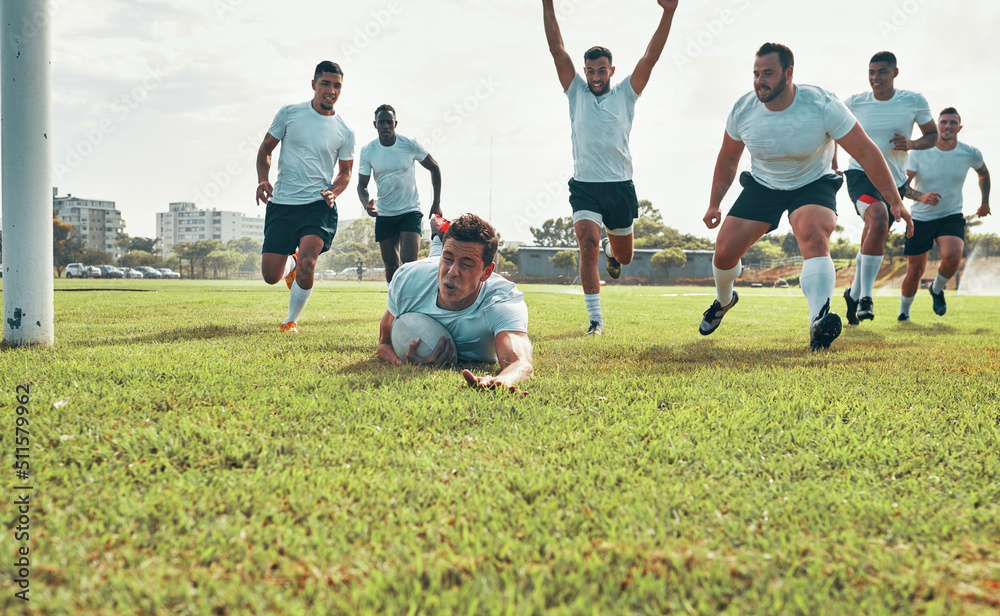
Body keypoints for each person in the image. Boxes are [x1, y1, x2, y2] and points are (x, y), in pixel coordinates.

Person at [700, 43, 913, 350]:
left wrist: (894, 200)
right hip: (763, 185)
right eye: (756, 73)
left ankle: (819, 321)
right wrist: (714, 203)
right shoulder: (743, 110)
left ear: (789, 73)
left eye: (768, 73)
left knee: (814, 237)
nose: (760, 80)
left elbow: (866, 151)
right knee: (723, 253)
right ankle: (723, 300)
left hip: (813, 183)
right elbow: (729, 159)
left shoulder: (822, 104)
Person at [542, 0, 678, 336]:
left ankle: (611, 251)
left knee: (625, 257)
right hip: (585, 186)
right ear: (585, 71)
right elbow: (557, 50)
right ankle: (595, 321)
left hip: (619, 187)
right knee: (585, 244)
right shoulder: (576, 91)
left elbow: (651, 57)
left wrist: (669, 12)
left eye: (602, 70)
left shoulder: (627, 93)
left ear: (612, 71)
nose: (596, 76)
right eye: (591, 70)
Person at [376, 214, 533, 393]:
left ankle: (439, 238)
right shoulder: (408, 279)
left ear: (486, 272)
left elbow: (521, 362)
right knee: (437, 255)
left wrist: (503, 379)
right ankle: (438, 236)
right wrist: (402, 362)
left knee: (445, 256)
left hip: (440, 264)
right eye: (448, 259)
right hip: (430, 265)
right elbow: (384, 344)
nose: (452, 272)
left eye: (467, 264)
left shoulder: (501, 299)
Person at [255, 60, 355, 334]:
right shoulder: (289, 114)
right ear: (313, 84)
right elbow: (266, 148)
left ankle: (291, 321)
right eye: (325, 83)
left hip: (317, 206)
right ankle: (291, 262)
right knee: (270, 276)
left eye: (337, 85)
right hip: (283, 204)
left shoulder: (345, 131)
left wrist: (333, 192)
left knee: (310, 262)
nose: (331, 90)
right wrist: (263, 178)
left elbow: (345, 173)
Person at [838, 51, 937, 324]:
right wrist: (833, 163)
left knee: (876, 231)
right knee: (879, 217)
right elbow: (829, 129)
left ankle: (853, 294)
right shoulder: (854, 103)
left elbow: (932, 135)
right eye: (871, 72)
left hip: (896, 181)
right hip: (860, 174)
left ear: (895, 72)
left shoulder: (913, 100)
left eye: (882, 71)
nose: (875, 77)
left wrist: (913, 143)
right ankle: (866, 297)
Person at [898, 108, 990, 320]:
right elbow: (902, 185)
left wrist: (984, 202)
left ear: (959, 127)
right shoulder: (920, 152)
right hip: (921, 218)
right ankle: (904, 313)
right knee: (914, 271)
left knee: (952, 256)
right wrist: (921, 196)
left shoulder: (970, 153)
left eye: (952, 122)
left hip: (951, 214)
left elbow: (984, 174)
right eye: (943, 122)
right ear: (937, 126)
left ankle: (937, 289)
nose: (947, 126)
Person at [357, 104, 443, 283]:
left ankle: (410, 303)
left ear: (395, 123)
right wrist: (366, 203)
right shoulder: (368, 151)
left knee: (409, 262)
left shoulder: (410, 145)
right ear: (375, 125)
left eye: (389, 122)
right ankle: (394, 305)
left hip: (410, 211)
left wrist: (436, 203)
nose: (386, 126)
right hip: (385, 213)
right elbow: (361, 186)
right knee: (390, 266)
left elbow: (434, 168)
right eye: (382, 122)